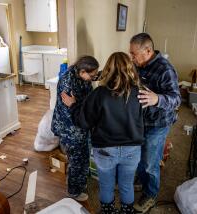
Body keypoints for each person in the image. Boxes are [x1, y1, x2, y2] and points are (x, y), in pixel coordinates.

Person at [62, 52, 146, 214]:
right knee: (126, 184)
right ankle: (126, 211)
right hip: (132, 149)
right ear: (130, 69)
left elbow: (83, 121)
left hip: (105, 149)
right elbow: (146, 119)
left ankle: (107, 211)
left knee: (106, 185)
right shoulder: (140, 93)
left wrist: (73, 105)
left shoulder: (99, 93)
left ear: (107, 68)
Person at [129, 33, 181, 213]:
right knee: (139, 156)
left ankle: (150, 194)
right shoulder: (138, 65)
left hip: (158, 123)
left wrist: (157, 99)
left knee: (151, 161)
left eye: (134, 54)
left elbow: (176, 100)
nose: (132, 58)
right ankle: (142, 180)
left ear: (148, 50)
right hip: (141, 120)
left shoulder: (166, 70)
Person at [51, 56, 99, 202]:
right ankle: (74, 192)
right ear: (83, 71)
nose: (93, 78)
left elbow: (85, 100)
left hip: (81, 124)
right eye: (92, 76)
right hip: (71, 128)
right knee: (77, 160)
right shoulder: (68, 83)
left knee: (82, 158)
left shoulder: (79, 73)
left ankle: (79, 181)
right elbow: (73, 112)